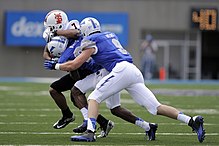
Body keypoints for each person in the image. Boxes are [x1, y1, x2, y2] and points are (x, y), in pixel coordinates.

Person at [44, 17, 205, 143]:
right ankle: (191, 121)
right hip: (133, 70)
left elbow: (76, 63)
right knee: (155, 107)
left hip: (120, 69)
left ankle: (90, 133)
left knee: (93, 98)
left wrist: (57, 66)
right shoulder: (109, 35)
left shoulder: (91, 41)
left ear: (86, 31)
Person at [42, 10, 114, 136]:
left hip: (87, 67)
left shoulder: (70, 27)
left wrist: (56, 32)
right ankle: (68, 115)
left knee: (76, 93)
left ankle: (90, 122)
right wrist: (51, 60)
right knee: (54, 90)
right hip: (75, 65)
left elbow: (77, 32)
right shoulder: (55, 37)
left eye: (51, 28)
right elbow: (46, 50)